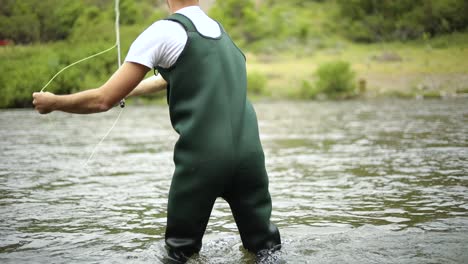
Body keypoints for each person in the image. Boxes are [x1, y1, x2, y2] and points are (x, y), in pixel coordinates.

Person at [32, 0, 281, 262]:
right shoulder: (221, 33)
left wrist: (54, 103)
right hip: (250, 158)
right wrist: (128, 90)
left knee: (179, 253)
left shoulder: (162, 31)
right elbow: (172, 75)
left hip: (204, 160)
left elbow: (102, 100)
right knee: (265, 249)